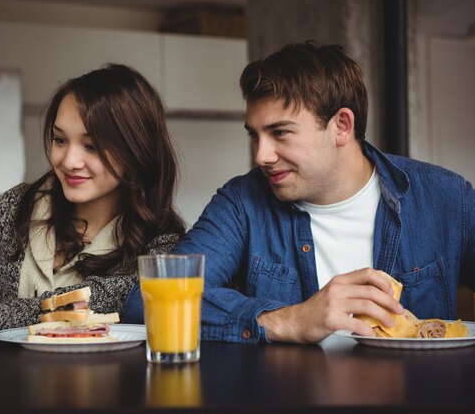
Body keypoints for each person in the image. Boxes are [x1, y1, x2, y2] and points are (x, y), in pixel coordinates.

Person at [123, 41, 475, 344]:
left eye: (280, 133)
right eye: (255, 135)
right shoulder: (242, 202)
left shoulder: (446, 197)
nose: (261, 156)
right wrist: (290, 319)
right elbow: (148, 300)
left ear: (341, 126)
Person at [0, 64, 185, 353]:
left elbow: (78, 306)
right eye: (60, 140)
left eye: (92, 146)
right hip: (10, 389)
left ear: (136, 151)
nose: (69, 160)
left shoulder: (163, 244)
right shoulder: (17, 205)